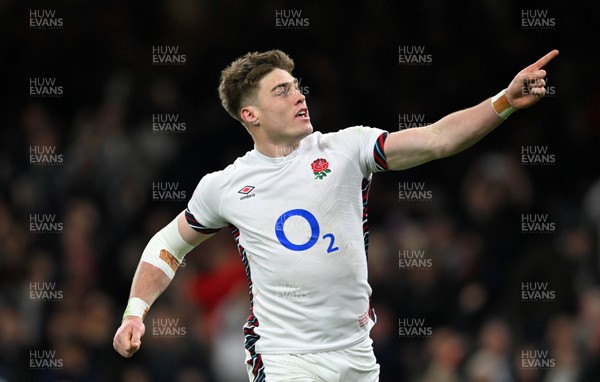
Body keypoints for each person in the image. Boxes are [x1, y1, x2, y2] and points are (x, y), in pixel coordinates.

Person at [113, 49, 559, 381]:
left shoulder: (346, 148)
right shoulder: (225, 186)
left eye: (297, 85)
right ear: (250, 114)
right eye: (281, 90)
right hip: (285, 357)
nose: (298, 95)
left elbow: (438, 139)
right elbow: (168, 244)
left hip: (355, 352)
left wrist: (503, 101)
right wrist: (136, 312)